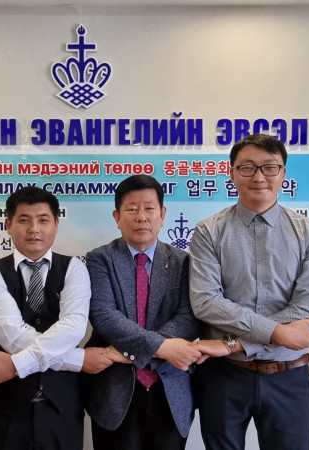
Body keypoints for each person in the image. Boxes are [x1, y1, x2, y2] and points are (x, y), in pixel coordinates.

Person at [189, 133, 309, 450]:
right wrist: (279, 332)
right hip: (225, 376)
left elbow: (308, 311)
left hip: (288, 376)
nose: (259, 177)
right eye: (247, 167)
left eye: (269, 167)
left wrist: (233, 343)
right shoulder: (209, 232)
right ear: (232, 173)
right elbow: (206, 302)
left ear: (283, 173)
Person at [83, 174, 227, 450]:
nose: (141, 217)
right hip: (115, 389)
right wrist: (163, 347)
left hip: (170, 386)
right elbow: (104, 316)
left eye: (149, 208)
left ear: (162, 215)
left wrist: (146, 350)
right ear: (117, 217)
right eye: (132, 209)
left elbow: (189, 318)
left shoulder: (184, 262)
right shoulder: (100, 259)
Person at [0, 186, 114, 450]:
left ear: (56, 225)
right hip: (7, 409)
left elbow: (73, 328)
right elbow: (14, 339)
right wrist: (78, 360)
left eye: (43, 220)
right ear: (8, 225)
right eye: (24, 220)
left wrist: (14, 365)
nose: (34, 229)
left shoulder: (74, 268)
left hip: (63, 409)